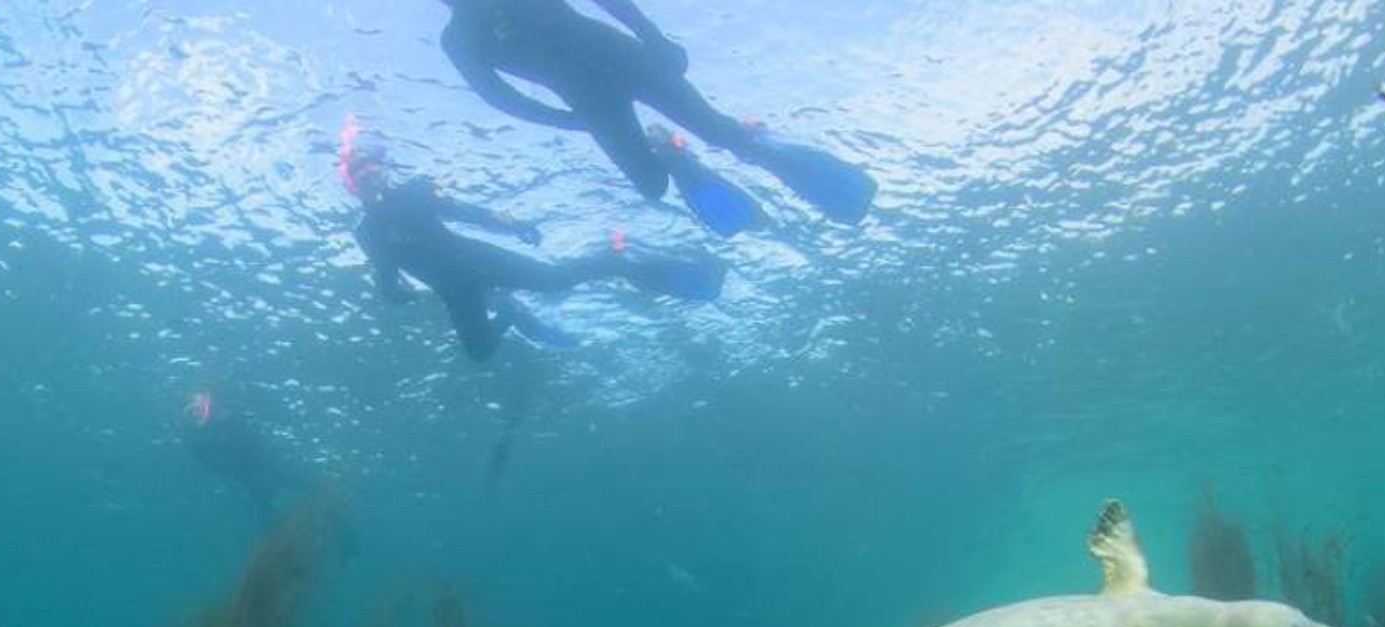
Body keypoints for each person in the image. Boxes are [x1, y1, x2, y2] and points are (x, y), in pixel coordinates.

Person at [436, 0, 876, 236]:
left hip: (625, 61)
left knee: (721, 133)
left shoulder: (458, 38)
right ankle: (673, 155)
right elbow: (497, 97)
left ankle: (755, 141)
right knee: (652, 185)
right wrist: (567, 121)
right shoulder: (457, 38)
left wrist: (655, 39)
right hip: (591, 99)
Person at [343, 122, 725, 363]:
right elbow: (385, 275)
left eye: (374, 170)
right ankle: (508, 312)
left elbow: (470, 212)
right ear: (353, 186)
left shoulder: (415, 193)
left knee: (554, 280)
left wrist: (517, 226)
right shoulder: (367, 232)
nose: (371, 180)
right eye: (362, 176)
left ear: (385, 171)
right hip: (453, 290)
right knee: (480, 353)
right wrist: (398, 295)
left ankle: (615, 258)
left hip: (476, 260)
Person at [180, 391, 294, 520]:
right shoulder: (192, 436)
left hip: (259, 459)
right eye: (192, 411)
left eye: (201, 408)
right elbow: (205, 459)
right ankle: (274, 524)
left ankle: (313, 494)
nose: (197, 413)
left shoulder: (228, 416)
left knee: (284, 477)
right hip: (240, 470)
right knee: (262, 496)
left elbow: (252, 434)